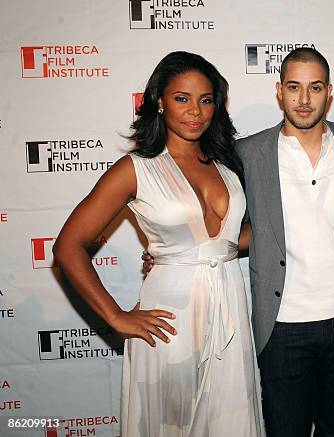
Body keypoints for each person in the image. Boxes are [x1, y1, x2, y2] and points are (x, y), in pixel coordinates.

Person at [145, 47, 334, 436]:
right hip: (281, 327)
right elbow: (226, 220)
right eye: (294, 87)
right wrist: (175, 252)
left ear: (329, 92)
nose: (304, 99)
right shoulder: (248, 153)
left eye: (315, 87)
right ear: (279, 91)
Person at [53, 51, 260, 436]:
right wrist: (115, 317)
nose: (195, 111)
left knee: (230, 422)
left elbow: (230, 240)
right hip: (169, 321)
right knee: (169, 424)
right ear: (160, 102)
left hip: (230, 309)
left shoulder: (227, 163)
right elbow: (68, 246)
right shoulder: (136, 168)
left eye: (206, 99)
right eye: (182, 98)